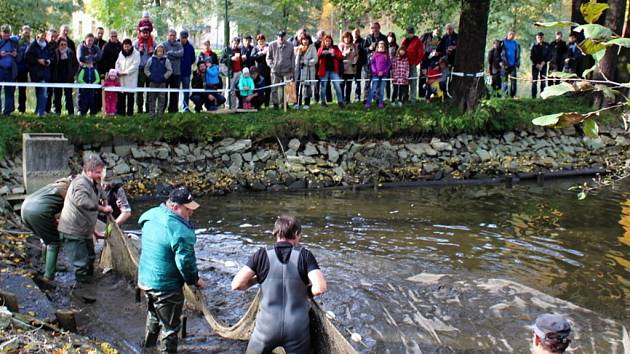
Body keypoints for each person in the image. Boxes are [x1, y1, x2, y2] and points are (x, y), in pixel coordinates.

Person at [232, 215, 327, 354]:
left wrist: (259, 278)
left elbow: (237, 285)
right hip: (297, 329)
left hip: (266, 328)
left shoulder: (261, 254)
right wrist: (306, 292)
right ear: (296, 234)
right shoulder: (305, 255)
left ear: (275, 233)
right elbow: (320, 288)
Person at [138, 187, 205, 353]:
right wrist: (195, 280)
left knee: (154, 314)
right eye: (187, 209)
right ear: (175, 207)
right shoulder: (180, 230)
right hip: (165, 286)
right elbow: (185, 262)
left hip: (145, 279)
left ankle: (147, 347)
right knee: (170, 328)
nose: (191, 213)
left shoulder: (151, 214)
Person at [58, 154, 112, 283]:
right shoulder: (80, 183)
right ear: (88, 171)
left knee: (91, 257)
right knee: (81, 263)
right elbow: (82, 201)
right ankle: (82, 291)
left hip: (85, 230)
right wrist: (103, 209)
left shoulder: (94, 181)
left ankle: (90, 282)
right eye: (98, 172)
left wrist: (105, 200)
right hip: (73, 231)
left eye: (101, 172)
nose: (101, 175)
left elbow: (100, 190)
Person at [21, 177, 72, 281]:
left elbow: (49, 206)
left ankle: (49, 265)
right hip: (38, 213)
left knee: (45, 239)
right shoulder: (68, 190)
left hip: (25, 209)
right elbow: (69, 212)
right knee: (54, 242)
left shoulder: (55, 185)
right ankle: (49, 276)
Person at [25, 29, 53, 116]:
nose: (43, 37)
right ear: (37, 35)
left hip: (46, 72)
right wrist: (38, 60)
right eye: (42, 35)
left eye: (45, 35)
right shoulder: (32, 46)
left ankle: (39, 111)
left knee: (43, 92)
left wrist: (49, 61)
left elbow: (52, 57)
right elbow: (27, 57)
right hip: (36, 73)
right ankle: (40, 113)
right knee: (41, 92)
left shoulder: (48, 46)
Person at [51, 37, 79, 115]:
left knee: (69, 96)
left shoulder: (70, 53)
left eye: (65, 44)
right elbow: (52, 64)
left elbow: (76, 65)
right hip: (58, 77)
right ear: (58, 45)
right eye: (61, 44)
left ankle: (71, 113)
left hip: (68, 78)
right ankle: (57, 112)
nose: (63, 46)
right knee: (57, 96)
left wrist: (72, 73)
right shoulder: (55, 52)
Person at [267, 31, 294, 109]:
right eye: (280, 36)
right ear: (277, 37)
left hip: (287, 70)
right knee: (274, 88)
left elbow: (292, 58)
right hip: (275, 71)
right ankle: (275, 104)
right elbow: (268, 58)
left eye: (283, 36)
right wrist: (272, 66)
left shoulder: (290, 45)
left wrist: (292, 69)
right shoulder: (272, 45)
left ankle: (285, 104)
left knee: (287, 88)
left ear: (285, 37)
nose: (281, 38)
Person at [144, 44, 173, 116]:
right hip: (152, 82)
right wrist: (150, 76)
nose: (160, 52)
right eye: (158, 51)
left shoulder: (166, 60)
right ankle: (151, 113)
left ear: (163, 52)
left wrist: (164, 77)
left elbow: (170, 70)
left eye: (161, 51)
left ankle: (160, 113)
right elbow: (146, 69)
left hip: (162, 83)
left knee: (162, 99)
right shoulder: (151, 59)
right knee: (151, 98)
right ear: (156, 51)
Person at [317, 35, 345, 107]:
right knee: (323, 87)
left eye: (329, 41)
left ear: (331, 41)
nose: (328, 42)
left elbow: (341, 56)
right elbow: (317, 56)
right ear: (324, 41)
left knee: (337, 86)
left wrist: (334, 54)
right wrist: (322, 53)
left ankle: (340, 102)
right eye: (326, 41)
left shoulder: (335, 48)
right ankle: (323, 102)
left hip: (334, 71)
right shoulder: (321, 48)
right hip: (324, 71)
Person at [115, 38, 140, 116]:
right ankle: (121, 113)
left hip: (130, 78)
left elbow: (135, 65)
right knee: (121, 97)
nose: (126, 48)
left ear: (131, 46)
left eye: (128, 46)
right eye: (125, 46)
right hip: (121, 78)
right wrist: (118, 72)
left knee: (130, 97)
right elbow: (117, 63)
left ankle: (130, 114)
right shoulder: (120, 53)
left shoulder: (136, 54)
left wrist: (126, 72)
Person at [363, 23, 387, 102]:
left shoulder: (383, 37)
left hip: (379, 64)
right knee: (367, 81)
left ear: (379, 28)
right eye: (373, 28)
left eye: (376, 28)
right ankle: (366, 98)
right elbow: (363, 49)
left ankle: (377, 98)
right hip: (369, 63)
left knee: (378, 81)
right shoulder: (368, 37)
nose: (375, 29)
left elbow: (386, 49)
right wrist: (369, 48)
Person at [400, 27, 424, 104]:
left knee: (413, 81)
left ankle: (413, 99)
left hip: (413, 64)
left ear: (413, 33)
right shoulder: (405, 41)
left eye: (410, 32)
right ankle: (405, 98)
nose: (409, 34)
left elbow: (420, 53)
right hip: (404, 64)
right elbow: (401, 50)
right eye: (408, 32)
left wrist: (416, 63)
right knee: (405, 81)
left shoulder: (418, 41)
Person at [163, 29, 183, 113]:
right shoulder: (164, 44)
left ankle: (173, 110)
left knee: (175, 93)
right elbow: (163, 55)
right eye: (170, 35)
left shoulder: (179, 45)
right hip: (166, 72)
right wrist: (174, 54)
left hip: (176, 72)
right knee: (164, 93)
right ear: (168, 35)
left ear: (176, 36)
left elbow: (181, 54)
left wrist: (170, 53)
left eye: (174, 35)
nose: (172, 37)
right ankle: (162, 109)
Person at [294, 33, 316, 109]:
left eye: (306, 39)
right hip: (299, 69)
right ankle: (298, 103)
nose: (305, 41)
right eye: (303, 39)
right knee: (297, 86)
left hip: (308, 70)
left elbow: (315, 59)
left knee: (307, 86)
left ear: (309, 40)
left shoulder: (312, 48)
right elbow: (296, 60)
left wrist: (306, 62)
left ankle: (307, 104)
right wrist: (298, 53)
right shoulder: (299, 47)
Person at [365, 40, 390, 109]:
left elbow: (388, 65)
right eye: (380, 47)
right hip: (375, 75)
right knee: (373, 89)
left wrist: (384, 72)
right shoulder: (375, 55)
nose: (381, 48)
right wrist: (376, 72)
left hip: (384, 75)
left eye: (383, 47)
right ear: (377, 48)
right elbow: (372, 64)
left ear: (385, 48)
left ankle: (380, 103)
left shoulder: (386, 55)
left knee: (381, 89)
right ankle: (368, 103)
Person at [134, 28, 154, 113]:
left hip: (150, 69)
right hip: (140, 69)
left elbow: (157, 54)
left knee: (150, 90)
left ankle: (148, 108)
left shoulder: (153, 43)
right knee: (140, 90)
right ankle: (139, 108)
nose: (145, 34)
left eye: (147, 33)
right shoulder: (136, 43)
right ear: (140, 33)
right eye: (144, 33)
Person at [221, 37, 244, 109]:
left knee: (238, 89)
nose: (236, 45)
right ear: (231, 42)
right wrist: (231, 58)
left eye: (237, 43)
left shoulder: (239, 50)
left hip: (239, 72)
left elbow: (240, 61)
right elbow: (222, 60)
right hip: (231, 73)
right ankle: (227, 106)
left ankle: (236, 105)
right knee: (229, 89)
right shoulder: (226, 49)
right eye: (235, 43)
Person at [0, 24, 18, 116]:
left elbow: (19, 55)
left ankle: (7, 112)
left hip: (10, 70)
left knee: (9, 91)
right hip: (0, 70)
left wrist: (15, 54)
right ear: (1, 33)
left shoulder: (13, 42)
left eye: (8, 33)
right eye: (5, 33)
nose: (6, 35)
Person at [419, 26, 441, 97]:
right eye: (436, 31)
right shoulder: (425, 36)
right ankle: (421, 94)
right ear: (433, 29)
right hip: (424, 59)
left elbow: (441, 50)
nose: (437, 32)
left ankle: (431, 93)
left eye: (439, 31)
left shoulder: (439, 39)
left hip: (433, 60)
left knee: (432, 76)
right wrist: (420, 54)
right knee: (423, 76)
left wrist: (438, 53)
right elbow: (419, 45)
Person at [251, 34, 271, 107]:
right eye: (259, 41)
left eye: (262, 41)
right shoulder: (255, 49)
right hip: (259, 72)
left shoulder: (268, 47)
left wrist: (267, 51)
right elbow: (252, 57)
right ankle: (258, 105)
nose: (261, 42)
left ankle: (267, 105)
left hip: (268, 71)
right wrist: (261, 53)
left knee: (268, 89)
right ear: (257, 42)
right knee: (260, 89)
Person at [16, 25, 32, 113]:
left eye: (28, 32)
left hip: (24, 70)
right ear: (21, 31)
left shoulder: (30, 43)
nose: (27, 33)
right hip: (15, 69)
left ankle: (22, 109)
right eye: (25, 31)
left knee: (22, 90)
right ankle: (9, 108)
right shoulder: (16, 40)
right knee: (11, 89)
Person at [339, 31, 357, 105]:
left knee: (349, 85)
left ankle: (348, 100)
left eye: (348, 37)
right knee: (342, 84)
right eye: (345, 38)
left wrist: (355, 61)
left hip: (351, 68)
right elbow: (340, 56)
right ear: (343, 38)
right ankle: (341, 100)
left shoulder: (354, 45)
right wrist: (347, 51)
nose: (347, 39)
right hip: (343, 68)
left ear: (350, 38)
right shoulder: (341, 45)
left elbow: (356, 55)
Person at [179, 30, 195, 112]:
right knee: (174, 91)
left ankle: (185, 107)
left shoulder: (190, 47)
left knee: (186, 91)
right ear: (180, 37)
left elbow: (193, 59)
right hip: (176, 73)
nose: (183, 39)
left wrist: (187, 64)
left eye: (185, 38)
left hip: (186, 72)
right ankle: (173, 107)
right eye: (182, 38)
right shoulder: (176, 45)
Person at [530, 32, 551, 98]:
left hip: (544, 65)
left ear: (543, 38)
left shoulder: (547, 45)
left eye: (541, 37)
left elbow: (549, 55)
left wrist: (544, 62)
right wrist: (536, 64)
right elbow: (531, 56)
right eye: (538, 37)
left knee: (543, 81)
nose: (540, 39)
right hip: (535, 65)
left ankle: (542, 96)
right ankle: (533, 97)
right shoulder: (533, 45)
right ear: (536, 38)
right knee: (534, 81)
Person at [501, 30, 520, 97]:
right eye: (511, 34)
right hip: (505, 65)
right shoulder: (503, 42)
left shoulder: (515, 43)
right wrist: (503, 63)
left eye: (513, 35)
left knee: (514, 81)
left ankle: (513, 95)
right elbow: (501, 54)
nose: (512, 36)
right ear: (507, 35)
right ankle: (504, 95)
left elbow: (517, 54)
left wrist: (517, 63)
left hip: (513, 65)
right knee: (504, 81)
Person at [353, 28, 367, 102]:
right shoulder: (351, 41)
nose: (355, 34)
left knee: (361, 80)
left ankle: (361, 96)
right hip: (353, 64)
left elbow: (364, 52)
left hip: (361, 63)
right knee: (355, 80)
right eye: (354, 33)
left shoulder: (363, 41)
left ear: (359, 33)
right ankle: (356, 96)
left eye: (357, 32)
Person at [385, 32, 398, 101]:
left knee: (394, 82)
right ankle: (387, 97)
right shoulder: (384, 46)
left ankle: (394, 97)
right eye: (389, 37)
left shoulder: (396, 46)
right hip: (386, 66)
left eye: (392, 37)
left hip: (394, 66)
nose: (390, 38)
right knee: (387, 82)